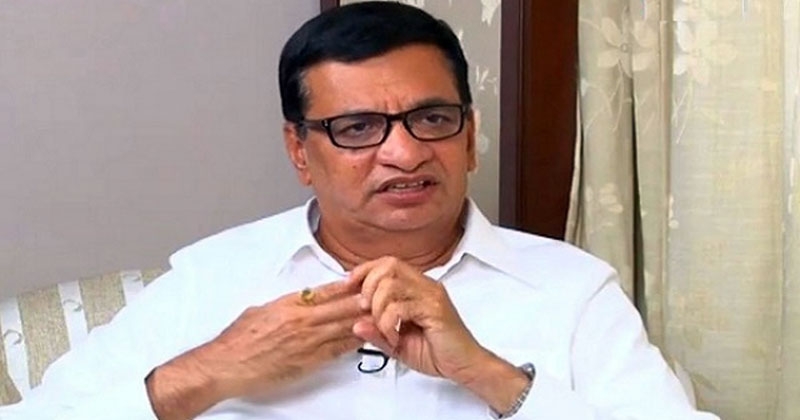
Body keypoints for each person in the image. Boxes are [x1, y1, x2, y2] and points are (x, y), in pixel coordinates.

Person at [1, 2, 720, 419]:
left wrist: (492, 377)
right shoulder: (214, 277)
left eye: (431, 118)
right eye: (358, 128)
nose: (404, 154)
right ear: (299, 149)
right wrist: (212, 369)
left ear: (469, 135)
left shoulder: (570, 288)